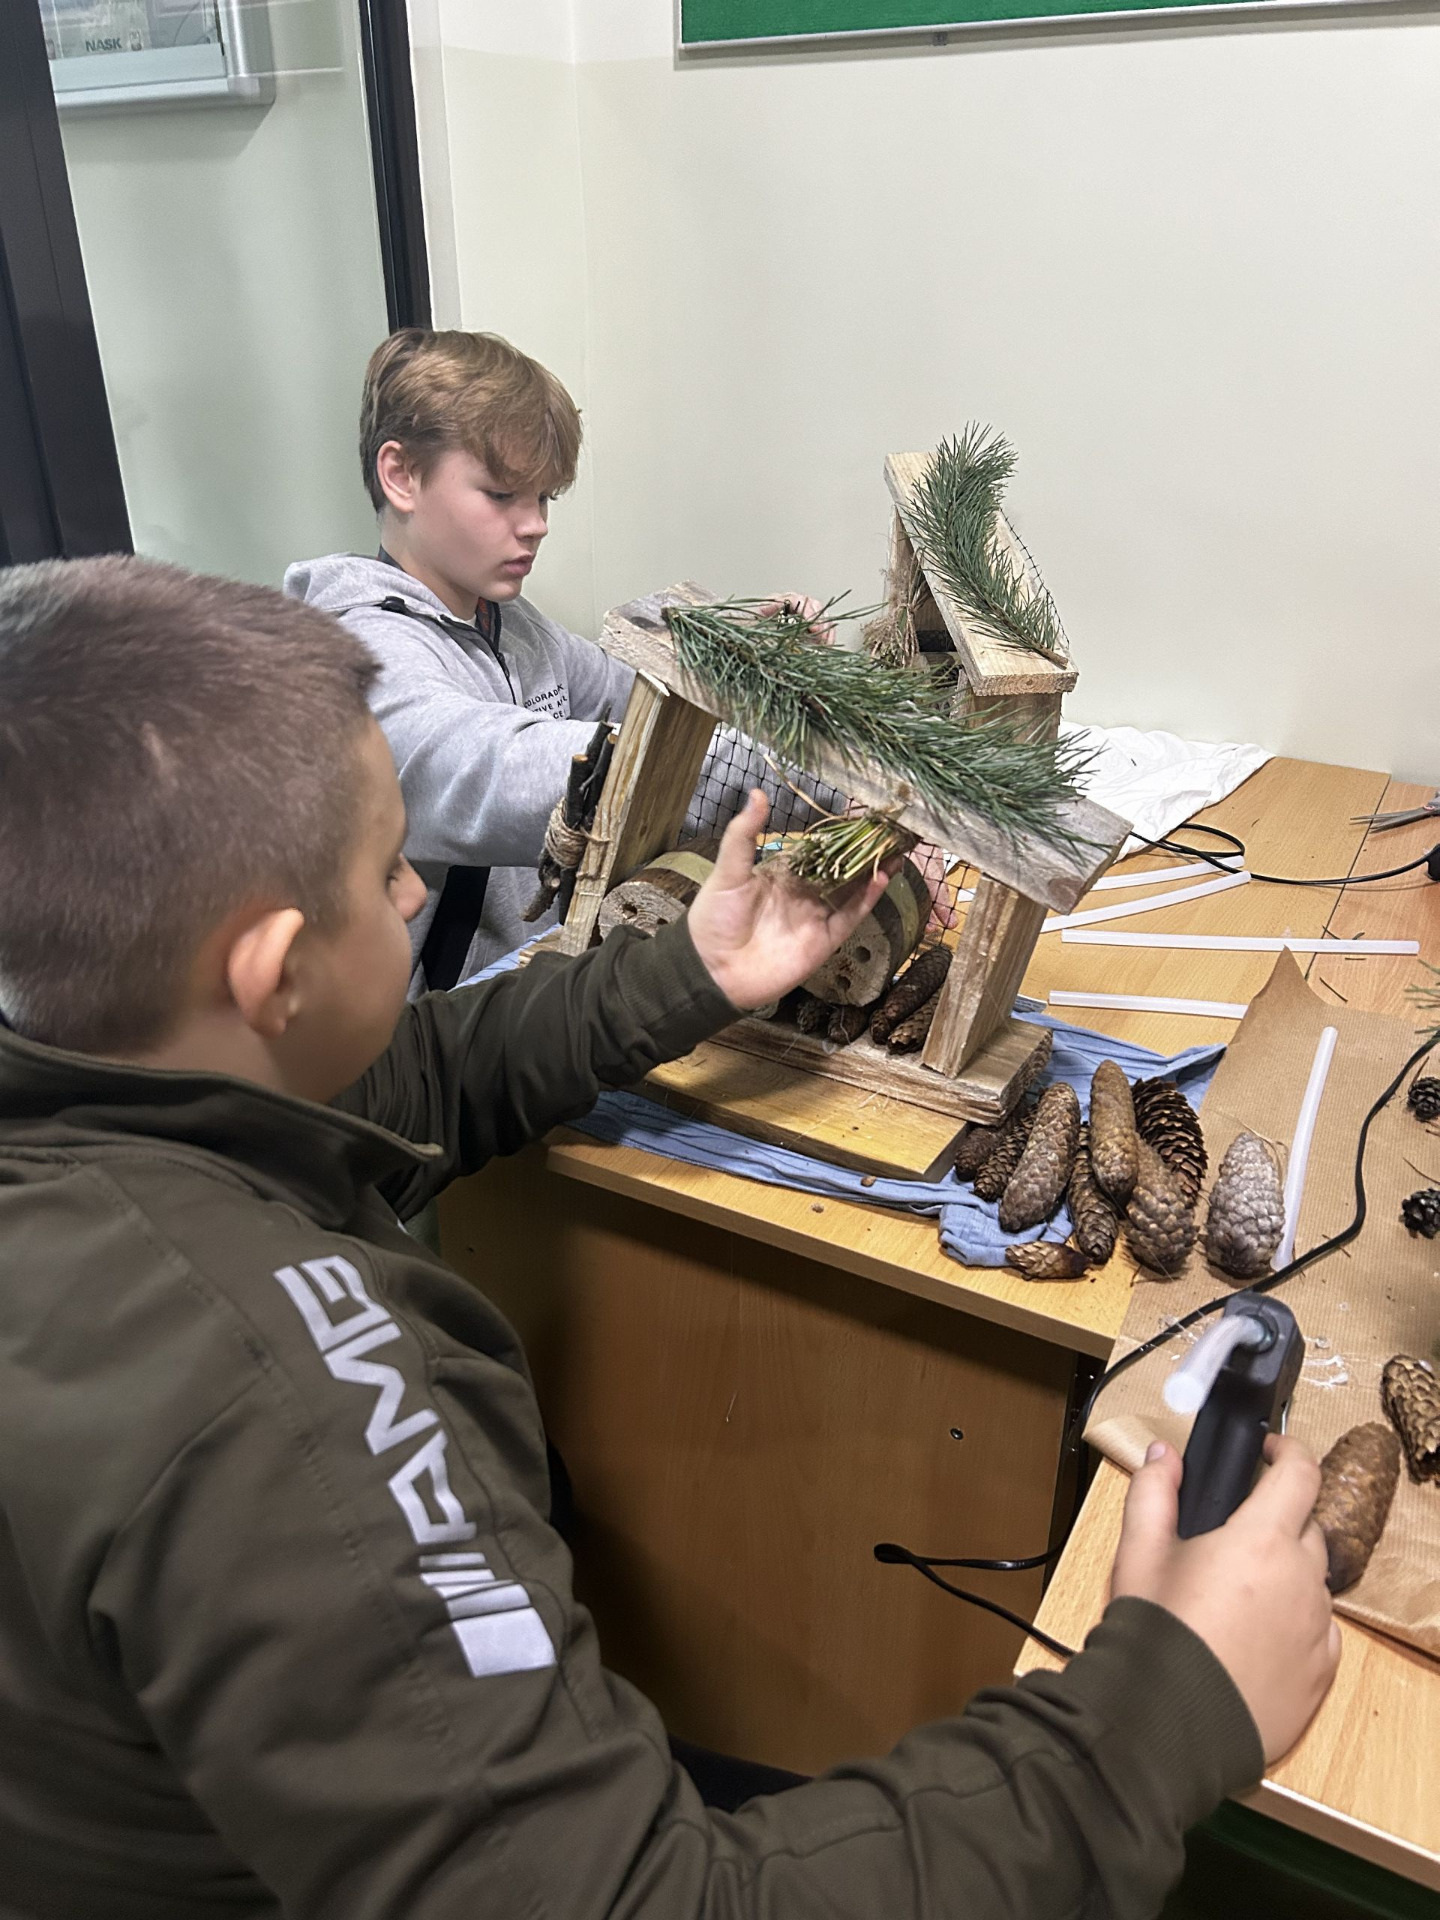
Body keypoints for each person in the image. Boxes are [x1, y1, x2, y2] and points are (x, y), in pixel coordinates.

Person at [0, 554, 1340, 1920]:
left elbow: (412, 1076)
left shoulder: (111, 1080)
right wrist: (1158, 1712)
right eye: (385, 866)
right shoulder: (275, 1419)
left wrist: (691, 972)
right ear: (274, 973)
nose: (413, 895)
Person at [285, 328, 847, 988]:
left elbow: (638, 695)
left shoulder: (513, 627)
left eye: (544, 497)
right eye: (502, 495)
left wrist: (749, 660)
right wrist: (836, 781)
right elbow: (512, 766)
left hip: (539, 990)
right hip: (433, 1033)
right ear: (401, 476)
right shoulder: (361, 668)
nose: (536, 525)